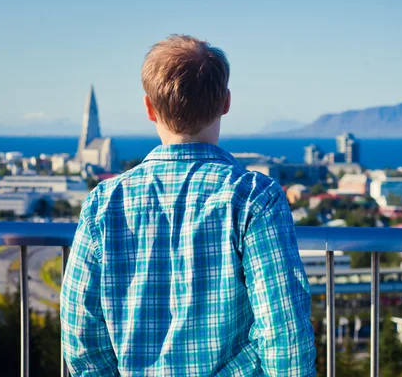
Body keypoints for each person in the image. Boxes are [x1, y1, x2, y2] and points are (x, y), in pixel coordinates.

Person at [61, 35, 316, 376]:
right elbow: (284, 331)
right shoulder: (254, 197)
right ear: (225, 102)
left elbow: (81, 335)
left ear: (149, 108)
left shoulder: (104, 204)